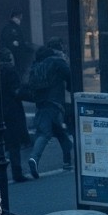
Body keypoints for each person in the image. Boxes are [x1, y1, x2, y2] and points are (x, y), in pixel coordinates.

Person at [25, 40, 74, 178]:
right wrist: (70, 88)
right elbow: (70, 76)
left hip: (41, 104)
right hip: (55, 103)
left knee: (60, 134)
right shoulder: (57, 61)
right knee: (46, 133)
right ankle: (34, 158)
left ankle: (67, 161)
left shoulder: (38, 64)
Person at [0, 51, 30, 184]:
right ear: (9, 58)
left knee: (1, 143)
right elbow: (16, 91)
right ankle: (17, 172)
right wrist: (30, 95)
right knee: (14, 144)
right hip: (12, 110)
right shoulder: (10, 70)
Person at [0, 9, 32, 80]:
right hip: (15, 54)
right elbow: (9, 42)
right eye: (19, 17)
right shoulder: (10, 28)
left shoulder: (14, 27)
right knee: (18, 71)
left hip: (18, 54)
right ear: (15, 17)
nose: (20, 19)